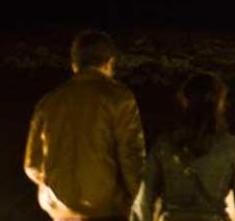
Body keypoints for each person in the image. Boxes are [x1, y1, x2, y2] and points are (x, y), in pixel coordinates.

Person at [25, 30, 145, 221]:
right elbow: (131, 156)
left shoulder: (49, 102)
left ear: (75, 65)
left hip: (60, 211)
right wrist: (142, 202)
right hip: (107, 210)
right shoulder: (120, 98)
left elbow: (32, 164)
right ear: (110, 62)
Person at [131, 71, 235, 221]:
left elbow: (143, 204)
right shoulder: (232, 148)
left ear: (184, 102)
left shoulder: (164, 146)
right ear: (219, 104)